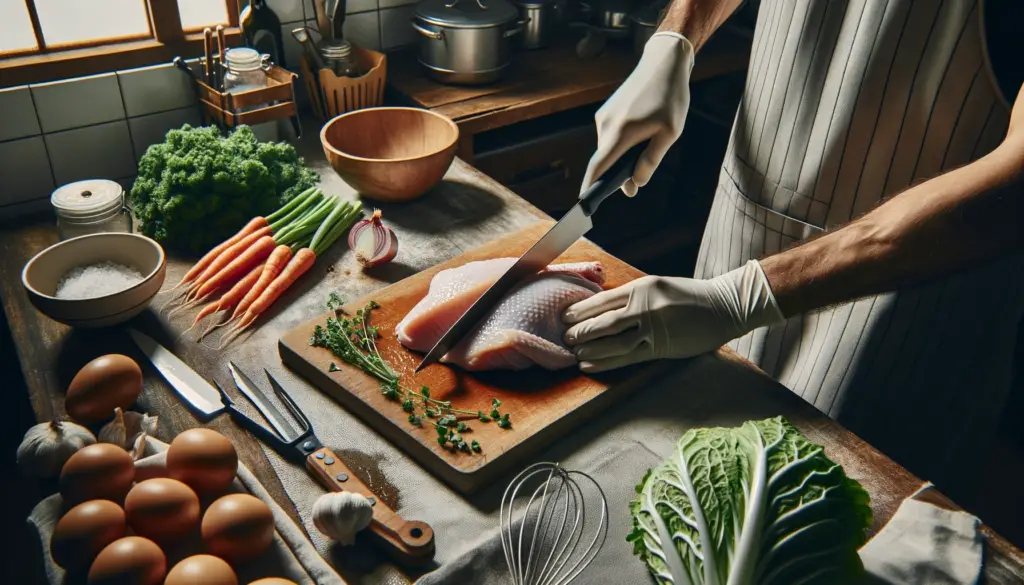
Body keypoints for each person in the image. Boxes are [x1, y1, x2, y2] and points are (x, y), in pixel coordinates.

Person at [563, 0, 1024, 496]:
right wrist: (674, 41)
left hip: (902, 296)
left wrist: (741, 298)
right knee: (694, 476)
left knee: (829, 515)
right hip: (746, 223)